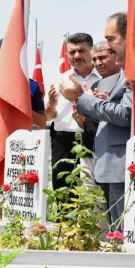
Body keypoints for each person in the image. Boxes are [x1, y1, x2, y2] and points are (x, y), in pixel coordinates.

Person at [59, 12, 132, 230]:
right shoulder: (118, 76)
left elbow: (125, 114)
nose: (107, 47)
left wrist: (81, 98)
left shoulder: (131, 73)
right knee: (114, 231)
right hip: (107, 162)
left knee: (121, 232)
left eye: (111, 39)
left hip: (120, 164)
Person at [45, 33, 100, 191]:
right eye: (72, 52)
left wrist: (77, 97)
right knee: (63, 192)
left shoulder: (103, 78)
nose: (77, 56)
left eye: (82, 51)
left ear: (91, 51)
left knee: (93, 193)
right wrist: (51, 104)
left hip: (93, 139)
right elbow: (48, 116)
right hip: (62, 141)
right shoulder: (59, 80)